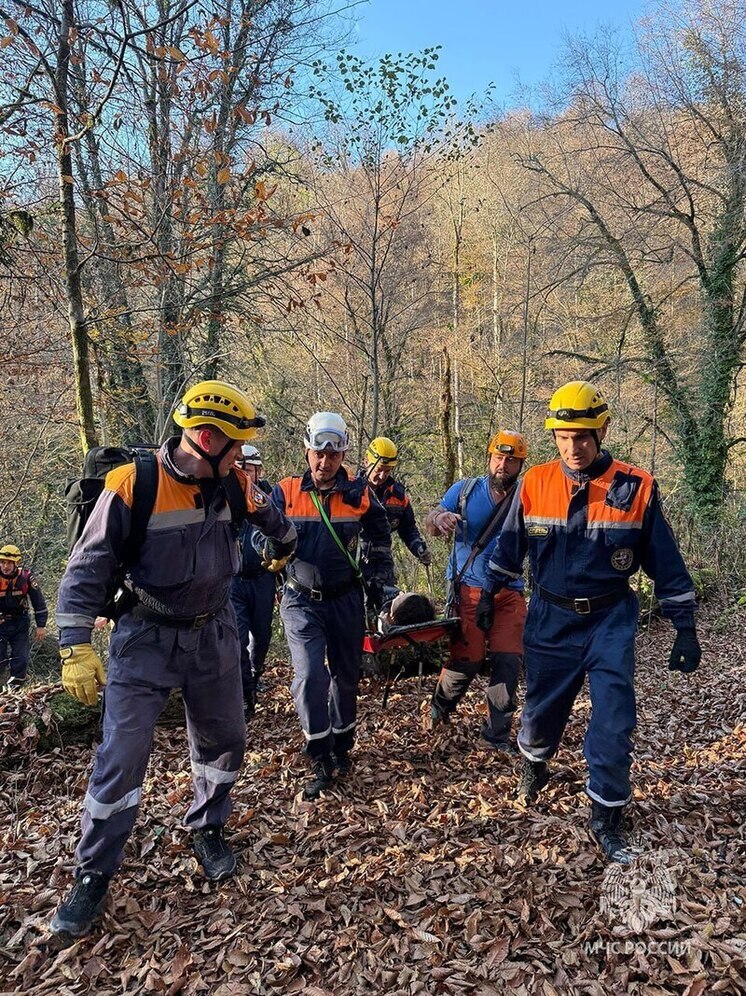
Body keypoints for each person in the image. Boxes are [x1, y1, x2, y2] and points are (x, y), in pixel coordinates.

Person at [50, 380, 297, 939]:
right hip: (145, 638)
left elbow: (277, 526)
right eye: (235, 446)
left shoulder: (233, 484)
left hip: (215, 633)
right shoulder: (132, 485)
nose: (243, 457)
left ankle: (208, 827)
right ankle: (93, 872)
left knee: (226, 740)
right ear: (206, 439)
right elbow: (85, 570)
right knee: (123, 755)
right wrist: (74, 644)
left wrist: (280, 542)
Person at [478, 381, 701, 863]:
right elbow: (509, 547)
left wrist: (684, 624)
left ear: (601, 430)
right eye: (562, 436)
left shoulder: (635, 486)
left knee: (614, 717)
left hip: (610, 621)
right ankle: (534, 762)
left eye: (581, 436)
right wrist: (489, 595)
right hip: (550, 619)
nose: (572, 447)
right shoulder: (534, 483)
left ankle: (606, 812)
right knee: (540, 714)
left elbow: (664, 559)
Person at [269, 412, 393, 800]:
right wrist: (267, 551)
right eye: (318, 455)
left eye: (334, 456)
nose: (324, 464)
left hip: (346, 598)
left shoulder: (358, 493)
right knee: (309, 676)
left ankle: (342, 744)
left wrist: (382, 584)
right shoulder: (285, 491)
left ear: (343, 455)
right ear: (306, 450)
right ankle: (319, 754)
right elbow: (255, 532)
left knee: (346, 675)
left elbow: (380, 535)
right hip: (300, 599)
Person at [425, 430, 528, 750]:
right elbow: (431, 519)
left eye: (511, 460)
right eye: (498, 457)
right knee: (466, 660)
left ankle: (496, 735)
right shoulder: (465, 490)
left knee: (508, 660)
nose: (503, 465)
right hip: (468, 590)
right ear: (490, 458)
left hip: (510, 591)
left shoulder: (529, 497)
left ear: (520, 464)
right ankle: (439, 708)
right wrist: (440, 518)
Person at [229, 444, 277, 717]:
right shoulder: (226, 496)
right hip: (234, 580)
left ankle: (256, 674)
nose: (245, 474)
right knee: (236, 639)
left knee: (261, 635)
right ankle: (245, 694)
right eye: (241, 468)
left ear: (258, 471)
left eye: (249, 469)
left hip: (262, 578)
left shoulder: (270, 499)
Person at [360, 437, 431, 584]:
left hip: (383, 568)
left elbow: (408, 528)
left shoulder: (398, 497)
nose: (382, 476)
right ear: (366, 461)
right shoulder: (351, 493)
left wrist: (418, 547)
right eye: (379, 469)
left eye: (387, 471)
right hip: (354, 566)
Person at [0, 543, 48, 688]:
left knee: (21, 659)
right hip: (1, 624)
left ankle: (16, 690)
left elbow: (39, 603)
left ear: (17, 563)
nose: (5, 566)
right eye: (2, 562)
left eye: (9, 563)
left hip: (20, 623)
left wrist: (41, 625)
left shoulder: (26, 578)